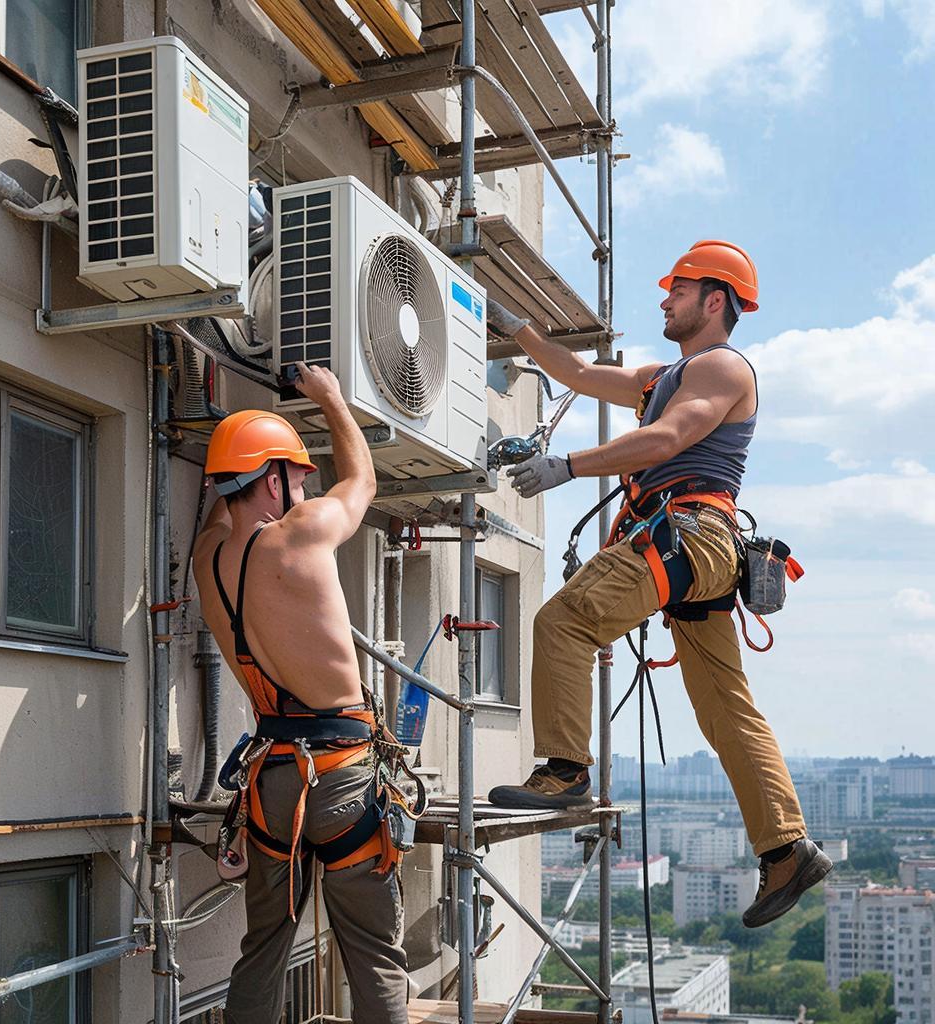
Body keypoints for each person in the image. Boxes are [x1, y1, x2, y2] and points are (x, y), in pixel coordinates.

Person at [486, 241, 831, 928]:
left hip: (691, 536)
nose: (664, 299)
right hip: (697, 549)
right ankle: (788, 849)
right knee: (725, 708)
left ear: (715, 300)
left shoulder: (721, 367)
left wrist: (570, 465)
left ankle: (564, 771)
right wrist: (513, 326)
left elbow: (667, 439)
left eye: (677, 288)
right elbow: (578, 373)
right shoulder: (667, 373)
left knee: (564, 622)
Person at [193, 362, 409, 1023]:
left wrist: (231, 449)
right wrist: (331, 399)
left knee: (263, 948)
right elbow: (362, 481)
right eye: (295, 473)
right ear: (274, 479)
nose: (304, 484)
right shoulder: (304, 533)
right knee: (372, 952)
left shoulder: (208, 559)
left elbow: (222, 509)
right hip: (342, 776)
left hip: (274, 780)